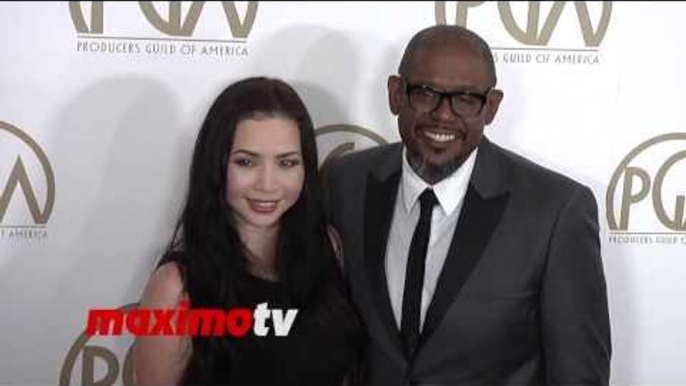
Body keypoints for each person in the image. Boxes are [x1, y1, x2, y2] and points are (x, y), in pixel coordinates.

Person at [324, 25, 611, 385]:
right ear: (396, 94)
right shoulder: (346, 181)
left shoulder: (555, 211)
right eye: (426, 93)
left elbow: (578, 375)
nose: (443, 115)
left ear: (491, 107)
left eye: (466, 99)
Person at [134, 77, 364, 385]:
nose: (267, 184)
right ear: (217, 164)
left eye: (286, 163)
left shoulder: (328, 247)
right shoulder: (174, 287)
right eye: (246, 162)